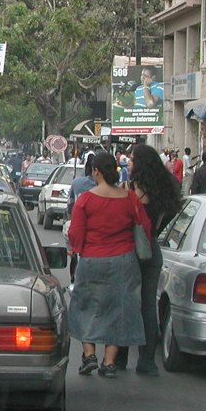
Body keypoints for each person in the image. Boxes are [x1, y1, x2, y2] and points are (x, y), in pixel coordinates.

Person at [67, 150, 151, 378]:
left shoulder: (85, 199)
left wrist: (78, 251)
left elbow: (76, 233)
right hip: (124, 261)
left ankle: (88, 354)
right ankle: (110, 362)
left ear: (95, 171)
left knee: (86, 305)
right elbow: (144, 226)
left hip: (92, 258)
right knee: (119, 309)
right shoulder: (130, 198)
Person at [115, 143, 183, 375]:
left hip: (129, 249)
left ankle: (119, 357)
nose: (128, 163)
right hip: (152, 249)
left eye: (131, 159)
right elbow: (169, 216)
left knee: (126, 303)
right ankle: (146, 360)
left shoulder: (129, 190)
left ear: (140, 163)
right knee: (147, 306)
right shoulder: (166, 188)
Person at [65, 156, 96, 289]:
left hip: (77, 226)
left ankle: (73, 279)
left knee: (72, 249)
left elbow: (70, 204)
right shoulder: (112, 188)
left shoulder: (77, 183)